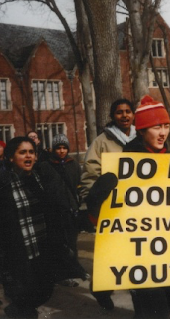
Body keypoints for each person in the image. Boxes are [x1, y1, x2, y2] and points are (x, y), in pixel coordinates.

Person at [86, 95, 170, 319]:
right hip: (138, 256)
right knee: (154, 310)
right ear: (141, 131)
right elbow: (103, 217)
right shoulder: (125, 164)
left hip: (168, 254)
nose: (163, 133)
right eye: (155, 127)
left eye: (166, 126)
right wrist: (97, 197)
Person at [0, 137, 86, 318]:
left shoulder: (40, 179)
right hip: (17, 259)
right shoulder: (4, 185)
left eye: (31, 152)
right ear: (10, 158)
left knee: (43, 293)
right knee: (24, 305)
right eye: (22, 152)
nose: (28, 156)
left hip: (42, 255)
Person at [79, 98, 136, 310]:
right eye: (119, 112)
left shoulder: (141, 138)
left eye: (128, 111)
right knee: (110, 255)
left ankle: (138, 293)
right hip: (112, 208)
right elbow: (90, 173)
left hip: (138, 208)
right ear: (113, 116)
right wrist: (93, 205)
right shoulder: (102, 142)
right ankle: (101, 289)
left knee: (136, 251)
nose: (124, 116)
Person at [45, 134, 82, 287]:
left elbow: (78, 185)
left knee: (72, 242)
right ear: (53, 149)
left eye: (64, 148)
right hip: (54, 211)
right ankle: (61, 274)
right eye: (58, 148)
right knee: (59, 243)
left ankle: (73, 270)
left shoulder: (73, 165)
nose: (61, 151)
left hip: (71, 210)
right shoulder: (46, 166)